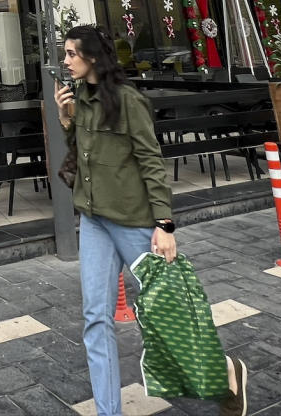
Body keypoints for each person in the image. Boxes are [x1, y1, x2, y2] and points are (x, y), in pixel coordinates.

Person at [54, 25, 247, 416]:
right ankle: (109, 411)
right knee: (95, 317)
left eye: (72, 53)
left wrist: (165, 224)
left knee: (168, 312)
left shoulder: (129, 101)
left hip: (134, 220)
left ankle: (225, 370)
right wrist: (66, 121)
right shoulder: (80, 99)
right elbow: (84, 157)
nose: (66, 60)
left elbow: (151, 161)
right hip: (94, 220)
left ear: (92, 57)